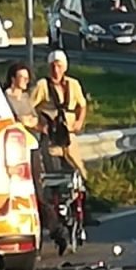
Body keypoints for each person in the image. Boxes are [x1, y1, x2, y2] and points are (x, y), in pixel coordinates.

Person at [31, 49, 89, 181]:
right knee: (55, 173)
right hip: (51, 136)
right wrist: (39, 126)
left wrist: (79, 121)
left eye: (59, 66)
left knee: (78, 168)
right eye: (53, 66)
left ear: (65, 67)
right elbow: (29, 106)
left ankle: (86, 191)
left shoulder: (73, 84)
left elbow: (82, 105)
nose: (56, 70)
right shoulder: (42, 85)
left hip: (69, 133)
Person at [5, 62, 43, 189]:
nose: (26, 81)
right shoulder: (6, 97)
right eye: (22, 77)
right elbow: (14, 119)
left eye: (27, 78)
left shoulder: (26, 97)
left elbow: (34, 118)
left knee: (36, 173)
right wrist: (24, 120)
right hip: (15, 143)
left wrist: (26, 120)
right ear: (13, 78)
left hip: (31, 140)